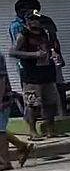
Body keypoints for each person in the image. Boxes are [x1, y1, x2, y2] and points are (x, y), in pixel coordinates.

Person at [9, 11, 61, 140]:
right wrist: (34, 55)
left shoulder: (44, 33)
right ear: (27, 21)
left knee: (50, 102)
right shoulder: (23, 35)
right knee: (32, 103)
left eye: (37, 19)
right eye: (32, 19)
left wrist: (54, 54)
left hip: (47, 72)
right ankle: (32, 132)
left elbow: (51, 48)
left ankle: (51, 130)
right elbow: (13, 52)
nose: (35, 22)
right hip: (31, 74)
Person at [0, 54, 33, 171]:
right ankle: (21, 146)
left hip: (2, 100)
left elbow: (1, 80)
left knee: (0, 131)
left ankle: (5, 162)